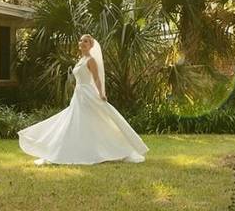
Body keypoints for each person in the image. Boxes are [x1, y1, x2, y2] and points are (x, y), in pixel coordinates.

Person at [18, 33, 149, 165]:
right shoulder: (80, 60)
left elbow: (96, 78)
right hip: (79, 94)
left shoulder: (91, 60)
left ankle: (114, 148)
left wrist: (101, 93)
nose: (82, 42)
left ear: (90, 45)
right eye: (81, 40)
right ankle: (72, 150)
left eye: (86, 41)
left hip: (88, 94)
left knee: (92, 120)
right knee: (76, 121)